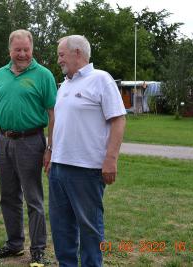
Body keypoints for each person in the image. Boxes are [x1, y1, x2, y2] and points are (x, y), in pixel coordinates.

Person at [49, 35, 126, 267]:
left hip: (87, 170)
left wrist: (110, 160)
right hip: (58, 168)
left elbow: (118, 120)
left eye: (62, 55)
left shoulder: (101, 79)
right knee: (61, 227)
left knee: (90, 228)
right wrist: (51, 154)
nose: (59, 60)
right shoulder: (64, 85)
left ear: (78, 53)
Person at [0, 29, 57, 267]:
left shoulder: (44, 75)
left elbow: (53, 113)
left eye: (27, 50)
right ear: (10, 51)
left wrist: (50, 147)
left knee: (33, 198)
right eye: (18, 50)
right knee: (8, 196)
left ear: (32, 49)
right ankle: (14, 244)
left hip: (31, 141)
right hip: (4, 140)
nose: (23, 54)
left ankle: (37, 250)